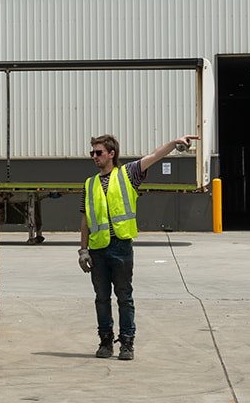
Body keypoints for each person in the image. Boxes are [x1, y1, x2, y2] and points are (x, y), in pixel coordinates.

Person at [78, 132, 198, 361]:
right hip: (97, 249)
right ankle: (105, 341)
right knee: (101, 298)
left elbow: (154, 156)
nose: (94, 156)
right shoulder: (89, 184)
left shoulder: (128, 174)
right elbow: (85, 219)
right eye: (92, 152)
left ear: (111, 154)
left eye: (98, 152)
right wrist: (83, 250)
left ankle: (127, 343)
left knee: (124, 297)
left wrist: (174, 143)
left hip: (120, 246)